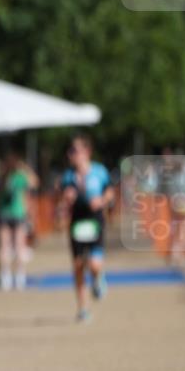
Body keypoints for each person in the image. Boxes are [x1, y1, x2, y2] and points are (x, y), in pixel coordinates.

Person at [58, 134, 115, 323]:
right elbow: (65, 195)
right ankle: (82, 309)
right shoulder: (68, 175)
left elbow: (109, 191)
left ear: (87, 152)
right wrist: (68, 197)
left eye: (76, 150)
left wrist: (102, 200)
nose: (72, 154)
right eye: (71, 151)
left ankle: (98, 279)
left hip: (95, 220)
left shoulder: (99, 171)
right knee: (78, 266)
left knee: (94, 264)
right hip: (77, 221)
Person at [0, 152, 38, 290]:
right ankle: (19, 276)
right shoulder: (19, 178)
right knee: (19, 245)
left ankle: (5, 276)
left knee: (4, 247)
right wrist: (25, 168)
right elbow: (34, 182)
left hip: (3, 214)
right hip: (18, 214)